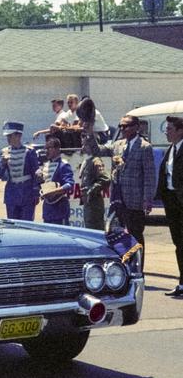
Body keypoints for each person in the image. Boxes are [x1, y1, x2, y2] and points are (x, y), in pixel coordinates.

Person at [86, 114, 155, 253]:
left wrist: (148, 199)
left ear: (136, 127)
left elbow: (149, 175)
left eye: (126, 126)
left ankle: (137, 266)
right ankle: (123, 264)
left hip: (135, 200)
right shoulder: (117, 145)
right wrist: (89, 133)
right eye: (121, 126)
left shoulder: (145, 147)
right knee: (117, 235)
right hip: (118, 200)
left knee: (135, 235)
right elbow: (97, 150)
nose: (123, 129)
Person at [156, 116, 183, 296]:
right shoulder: (171, 149)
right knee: (179, 243)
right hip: (172, 201)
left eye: (170, 129)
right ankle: (182, 283)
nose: (166, 132)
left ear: (180, 131)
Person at [0, 121, 40, 220]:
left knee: (27, 225)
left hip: (27, 193)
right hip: (11, 194)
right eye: (8, 136)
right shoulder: (4, 151)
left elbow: (36, 173)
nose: (8, 139)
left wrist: (36, 193)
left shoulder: (29, 151)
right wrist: (3, 163)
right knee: (13, 224)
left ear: (18, 135)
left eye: (11, 136)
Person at [35, 137, 74, 225]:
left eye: (49, 148)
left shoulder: (64, 165)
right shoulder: (45, 166)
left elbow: (69, 184)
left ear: (57, 149)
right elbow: (41, 186)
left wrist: (54, 192)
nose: (46, 151)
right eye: (46, 148)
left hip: (60, 208)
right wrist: (39, 181)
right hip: (47, 209)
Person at [78, 138, 110, 230]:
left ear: (91, 146)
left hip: (94, 203)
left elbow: (106, 179)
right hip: (88, 202)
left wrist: (91, 190)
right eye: (82, 144)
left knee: (95, 229)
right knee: (89, 227)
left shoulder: (96, 161)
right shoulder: (87, 161)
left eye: (85, 145)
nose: (83, 148)